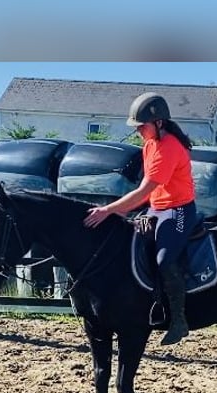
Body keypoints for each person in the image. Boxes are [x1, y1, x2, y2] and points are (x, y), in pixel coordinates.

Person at [83, 92, 198, 345]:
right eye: (136, 127)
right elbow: (149, 193)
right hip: (157, 208)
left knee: (165, 260)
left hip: (178, 211)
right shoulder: (150, 144)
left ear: (158, 123)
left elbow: (143, 190)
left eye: (141, 126)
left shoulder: (169, 148)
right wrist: (123, 210)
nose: (138, 131)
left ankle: (179, 320)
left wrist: (108, 210)